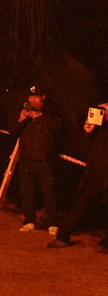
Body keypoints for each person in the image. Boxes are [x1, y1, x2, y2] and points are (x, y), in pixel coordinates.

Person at [50, 104, 108, 250]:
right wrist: (89, 130)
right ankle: (63, 235)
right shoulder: (102, 119)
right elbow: (86, 144)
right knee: (83, 202)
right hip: (99, 169)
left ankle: (106, 241)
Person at [16, 85, 60, 233]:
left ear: (43, 97)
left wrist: (41, 118)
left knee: (49, 192)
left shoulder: (51, 111)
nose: (33, 100)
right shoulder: (25, 111)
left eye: (36, 97)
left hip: (45, 160)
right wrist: (20, 119)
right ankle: (29, 220)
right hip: (26, 158)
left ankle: (53, 222)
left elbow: (57, 127)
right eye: (30, 97)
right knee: (27, 192)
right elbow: (13, 131)